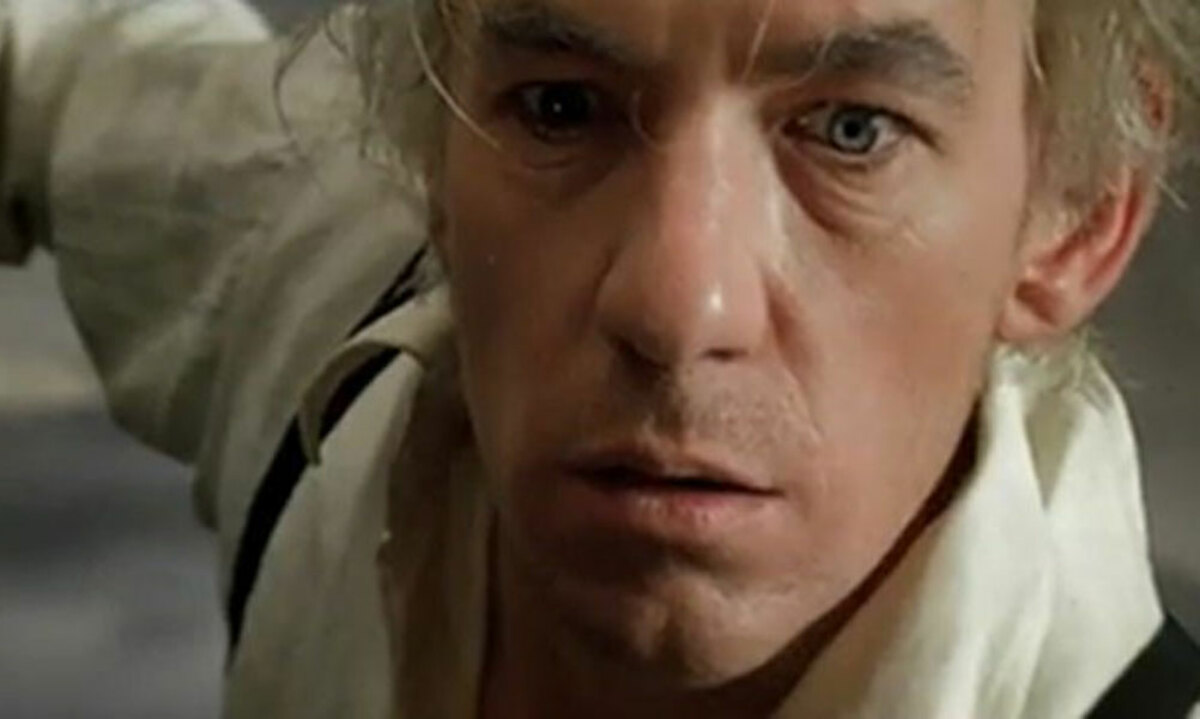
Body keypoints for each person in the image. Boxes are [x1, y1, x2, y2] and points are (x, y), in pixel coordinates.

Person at [2, 0, 1199, 716]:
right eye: (561, 108)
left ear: (1079, 211)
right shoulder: (328, 245)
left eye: (852, 131)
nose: (678, 306)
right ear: (424, 158)